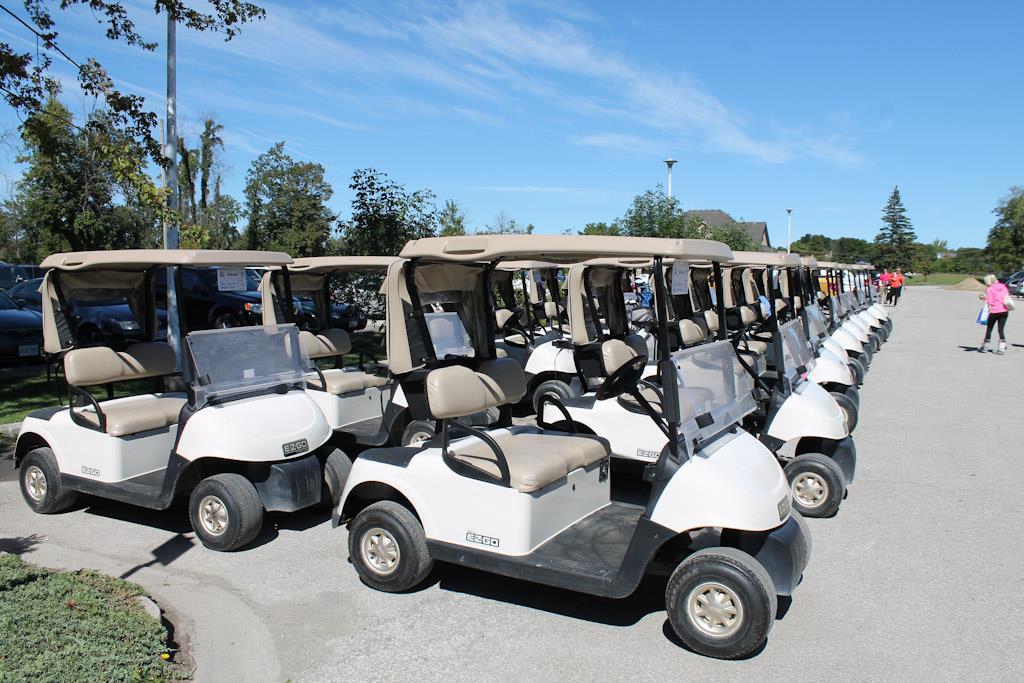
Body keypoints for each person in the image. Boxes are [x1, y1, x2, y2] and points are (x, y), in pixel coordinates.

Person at [978, 274, 1010, 354]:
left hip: (995, 311)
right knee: (1001, 330)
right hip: (1004, 310)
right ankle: (1001, 348)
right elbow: (1005, 297)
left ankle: (985, 347)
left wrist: (984, 298)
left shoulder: (990, 289)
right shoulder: (1003, 287)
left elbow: (991, 302)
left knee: (989, 328)